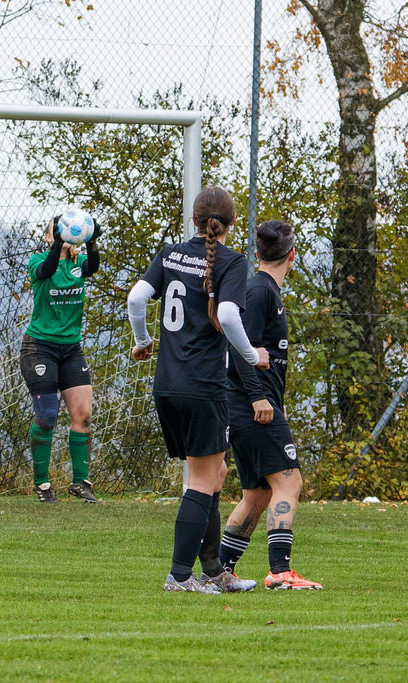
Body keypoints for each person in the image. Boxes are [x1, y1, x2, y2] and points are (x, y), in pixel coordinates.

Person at [127, 186, 269, 594]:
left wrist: (142, 342)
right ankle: (178, 575)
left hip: (167, 385)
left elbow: (137, 297)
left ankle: (212, 570)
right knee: (204, 479)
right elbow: (226, 313)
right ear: (232, 223)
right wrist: (251, 355)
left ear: (194, 220)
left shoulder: (170, 253)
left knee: (214, 471)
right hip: (203, 387)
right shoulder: (230, 260)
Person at [216, 220, 322, 591]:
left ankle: (220, 571)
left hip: (250, 406)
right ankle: (280, 571)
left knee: (258, 493)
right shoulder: (260, 291)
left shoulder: (263, 290)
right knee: (290, 482)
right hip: (251, 406)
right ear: (291, 256)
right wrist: (259, 397)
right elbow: (237, 346)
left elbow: (259, 354)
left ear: (258, 253)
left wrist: (273, 398)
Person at [19, 213, 101, 503]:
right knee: (47, 416)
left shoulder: (78, 264)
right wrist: (57, 242)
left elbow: (93, 266)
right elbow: (47, 269)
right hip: (39, 347)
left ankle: (81, 483)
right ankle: (42, 484)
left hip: (70, 349)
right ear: (48, 237)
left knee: (83, 416)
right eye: (57, 232)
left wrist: (92, 242)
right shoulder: (37, 261)